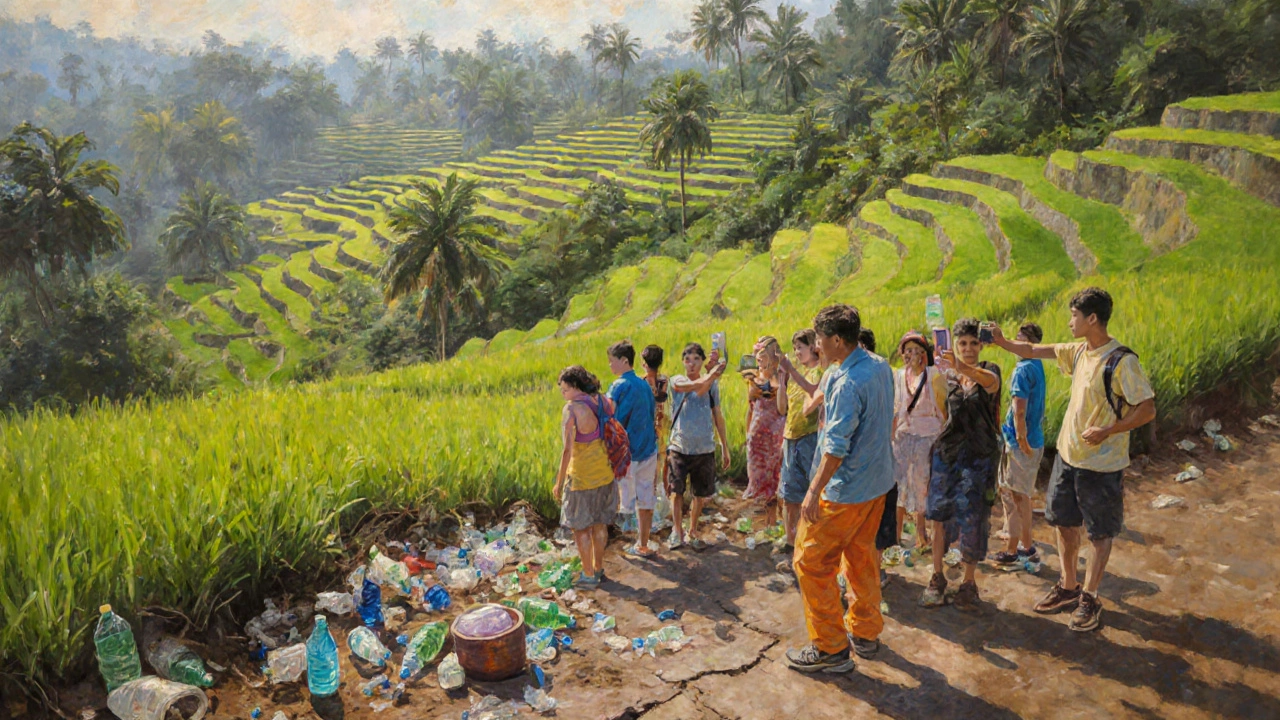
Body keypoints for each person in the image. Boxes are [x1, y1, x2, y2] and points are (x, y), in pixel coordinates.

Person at [990, 287, 1155, 632]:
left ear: (1092, 318)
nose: (1069, 322)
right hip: (1068, 458)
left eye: (1074, 316)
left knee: (1099, 532)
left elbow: (1146, 409)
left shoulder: (1121, 361)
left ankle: (1090, 597)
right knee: (1063, 522)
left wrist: (1109, 429)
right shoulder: (1079, 351)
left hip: (1101, 465)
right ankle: (1068, 586)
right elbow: (1032, 350)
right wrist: (1002, 342)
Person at [785, 304, 894, 674]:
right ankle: (864, 631)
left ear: (835, 340)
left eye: (819, 338)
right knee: (861, 557)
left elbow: (835, 447)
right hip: (877, 484)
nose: (816, 345)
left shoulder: (848, 382)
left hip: (845, 490)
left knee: (810, 562)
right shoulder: (878, 365)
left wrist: (813, 491)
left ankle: (830, 648)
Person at [919, 318, 1002, 612]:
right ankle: (937, 576)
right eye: (962, 343)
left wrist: (960, 367)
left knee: (973, 517)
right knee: (939, 515)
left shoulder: (990, 371)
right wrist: (950, 370)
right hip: (948, 455)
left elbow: (989, 384)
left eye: (973, 343)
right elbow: (944, 415)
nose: (968, 348)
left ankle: (968, 583)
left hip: (979, 457)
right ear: (955, 344)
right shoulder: (947, 378)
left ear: (981, 346)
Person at [553, 365, 620, 589]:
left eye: (564, 389)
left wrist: (559, 482)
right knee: (600, 525)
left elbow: (567, 450)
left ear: (575, 386)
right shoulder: (602, 401)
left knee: (581, 529)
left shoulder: (571, 409)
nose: (563, 393)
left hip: (581, 478)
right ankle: (598, 568)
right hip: (604, 474)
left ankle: (588, 574)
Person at [666, 342, 730, 551]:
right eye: (687, 360)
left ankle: (692, 529)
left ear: (702, 362)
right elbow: (694, 388)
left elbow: (717, 414)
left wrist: (724, 445)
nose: (691, 364)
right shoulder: (677, 380)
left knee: (700, 493)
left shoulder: (712, 385)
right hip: (679, 445)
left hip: (704, 447)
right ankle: (677, 530)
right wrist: (713, 373)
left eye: (696, 360)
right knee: (676, 490)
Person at [994, 323, 1047, 567]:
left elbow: (1019, 410)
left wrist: (1021, 439)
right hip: (1028, 440)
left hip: (1020, 443)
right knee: (1017, 495)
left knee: (1017, 497)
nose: (1014, 344)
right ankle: (1019, 542)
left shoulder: (1023, 370)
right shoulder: (1036, 364)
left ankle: (1019, 549)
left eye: (1019, 339)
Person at [891, 332, 948, 551]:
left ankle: (921, 535)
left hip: (927, 436)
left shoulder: (933, 375)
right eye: (908, 351)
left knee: (921, 484)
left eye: (917, 351)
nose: (912, 355)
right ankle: (896, 534)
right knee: (899, 484)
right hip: (903, 436)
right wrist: (892, 436)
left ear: (925, 354)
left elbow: (942, 409)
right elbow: (896, 409)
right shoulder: (898, 376)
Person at [606, 340, 660, 558]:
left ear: (623, 360)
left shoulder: (618, 386)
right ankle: (642, 544)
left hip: (626, 453)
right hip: (648, 448)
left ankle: (607, 549)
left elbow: (609, 418)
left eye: (612, 361)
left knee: (621, 500)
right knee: (646, 497)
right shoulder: (644, 385)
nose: (610, 365)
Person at [775, 329, 823, 570]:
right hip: (790, 437)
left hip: (809, 439)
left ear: (813, 347)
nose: (797, 353)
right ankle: (790, 540)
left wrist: (791, 371)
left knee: (809, 493)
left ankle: (809, 544)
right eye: (794, 349)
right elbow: (782, 409)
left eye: (800, 348)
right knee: (788, 493)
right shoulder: (795, 375)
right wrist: (783, 380)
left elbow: (814, 392)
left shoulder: (819, 371)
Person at [744, 336, 787, 529]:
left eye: (762, 356)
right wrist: (748, 433)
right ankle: (769, 522)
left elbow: (783, 409)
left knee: (776, 476)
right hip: (758, 435)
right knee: (761, 479)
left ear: (772, 356)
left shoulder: (781, 377)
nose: (758, 360)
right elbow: (751, 408)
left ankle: (779, 521)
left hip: (775, 436)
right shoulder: (753, 379)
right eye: (757, 356)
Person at [642, 344, 671, 506]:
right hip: (662, 426)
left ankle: (655, 496)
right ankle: (662, 495)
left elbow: (659, 400)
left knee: (654, 463)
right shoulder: (664, 380)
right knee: (662, 462)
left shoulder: (643, 382)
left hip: (651, 427)